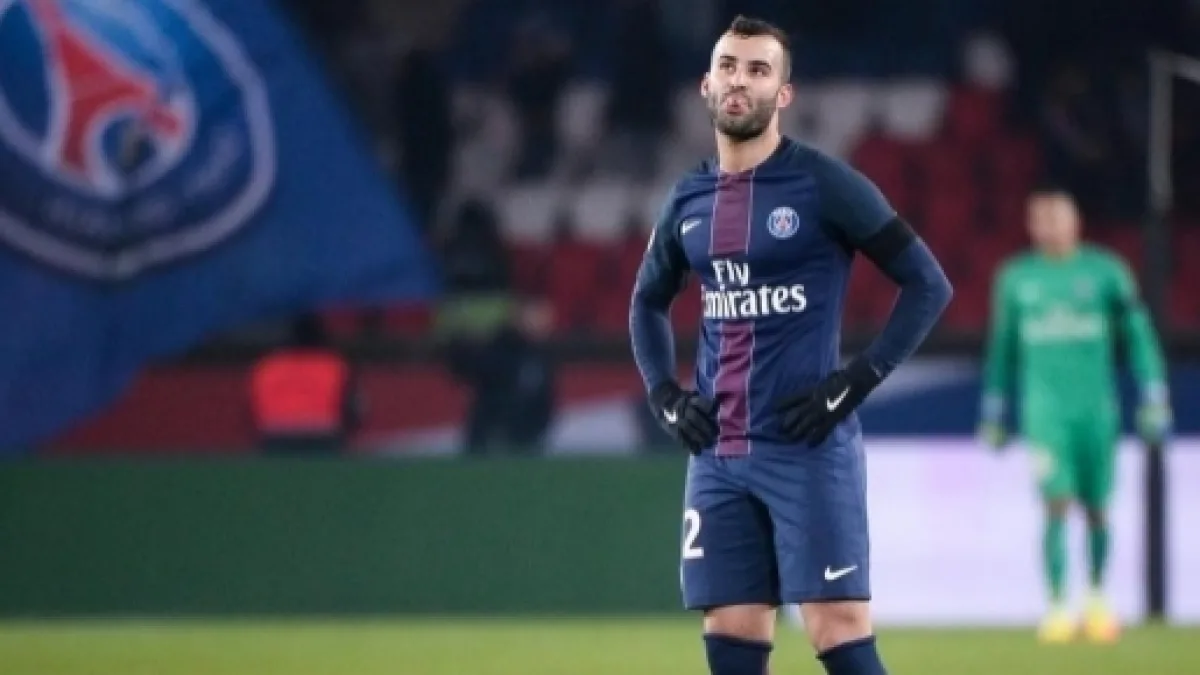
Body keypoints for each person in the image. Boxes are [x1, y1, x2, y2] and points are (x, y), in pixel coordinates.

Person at [628, 16, 953, 675]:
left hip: (806, 448)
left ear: (783, 94)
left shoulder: (824, 184)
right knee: (730, 632)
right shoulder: (688, 198)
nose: (739, 81)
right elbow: (646, 302)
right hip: (718, 455)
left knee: (836, 628)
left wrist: (855, 381)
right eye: (728, 67)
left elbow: (928, 283)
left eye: (758, 70)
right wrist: (665, 396)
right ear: (706, 85)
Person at [978, 189, 1172, 643]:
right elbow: (1002, 347)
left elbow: (1138, 335)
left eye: (1057, 218)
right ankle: (1058, 605)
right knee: (1056, 502)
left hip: (1097, 411)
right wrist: (994, 408)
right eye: (1041, 219)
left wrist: (1154, 394)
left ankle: (1098, 598)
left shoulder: (1107, 273)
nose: (1050, 227)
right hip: (1045, 412)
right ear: (1031, 226)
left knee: (1099, 509)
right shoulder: (1016, 278)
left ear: (1076, 221)